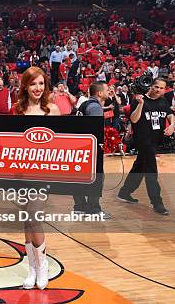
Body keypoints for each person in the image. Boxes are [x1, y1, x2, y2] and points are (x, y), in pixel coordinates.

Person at [12, 66, 60, 290]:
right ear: (25, 86)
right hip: (21, 172)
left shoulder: (53, 110)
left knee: (35, 217)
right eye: (33, 84)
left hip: (43, 172)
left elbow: (61, 143)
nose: (38, 88)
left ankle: (43, 265)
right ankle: (32, 268)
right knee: (26, 220)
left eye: (41, 83)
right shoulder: (17, 110)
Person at [118, 78, 174, 215]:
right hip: (143, 140)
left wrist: (172, 125)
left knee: (140, 166)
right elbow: (134, 119)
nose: (158, 90)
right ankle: (157, 202)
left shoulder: (163, 101)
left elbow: (170, 114)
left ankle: (124, 192)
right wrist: (141, 104)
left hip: (156, 140)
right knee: (151, 171)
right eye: (156, 87)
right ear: (151, 85)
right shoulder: (139, 99)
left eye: (162, 88)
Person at [73, 81, 111, 217]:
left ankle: (79, 206)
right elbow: (95, 130)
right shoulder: (95, 107)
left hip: (80, 147)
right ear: (99, 93)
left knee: (80, 177)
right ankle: (94, 209)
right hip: (90, 148)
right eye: (107, 89)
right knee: (97, 178)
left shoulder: (84, 104)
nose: (109, 91)